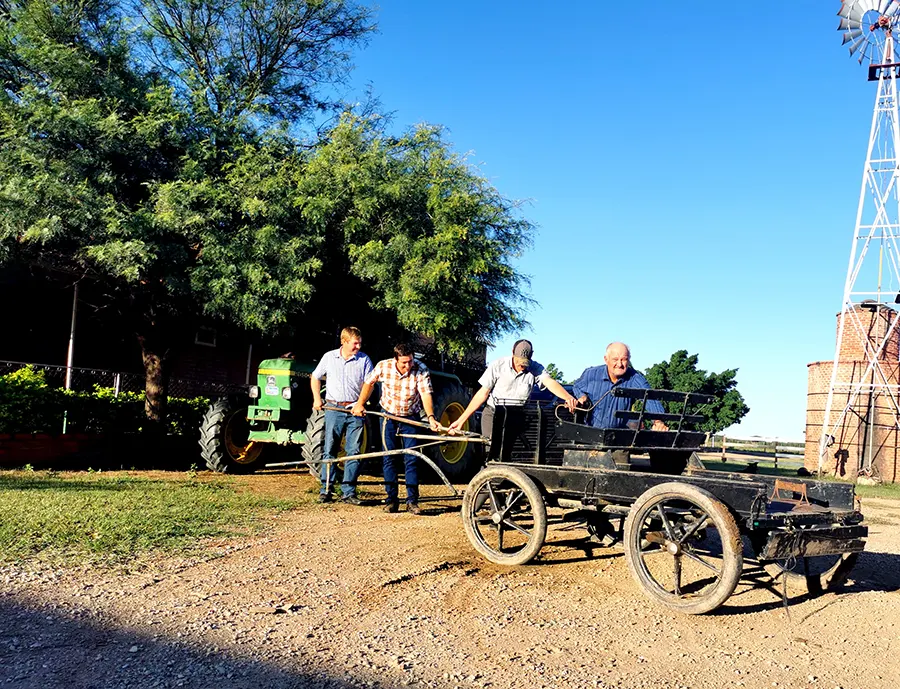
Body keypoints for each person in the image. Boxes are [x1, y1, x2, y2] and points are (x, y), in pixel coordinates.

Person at [351, 343, 439, 515]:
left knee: (411, 458)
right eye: (404, 362)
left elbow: (425, 394)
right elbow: (369, 383)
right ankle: (392, 500)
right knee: (389, 457)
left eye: (410, 361)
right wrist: (360, 404)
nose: (408, 366)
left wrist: (431, 417)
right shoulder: (384, 366)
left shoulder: (421, 369)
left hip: (410, 417)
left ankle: (412, 501)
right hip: (388, 416)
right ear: (396, 359)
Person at [448, 339, 578, 442]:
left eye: (525, 363)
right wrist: (461, 420)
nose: (521, 366)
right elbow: (483, 393)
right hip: (493, 414)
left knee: (513, 453)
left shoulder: (535, 368)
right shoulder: (498, 365)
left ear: (531, 357)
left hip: (516, 417)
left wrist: (568, 397)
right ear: (512, 352)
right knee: (491, 451)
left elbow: (549, 382)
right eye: (518, 362)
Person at [310, 326, 373, 505]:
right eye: (355, 343)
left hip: (355, 411)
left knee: (353, 451)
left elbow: (370, 384)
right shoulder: (329, 357)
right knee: (330, 448)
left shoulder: (364, 360)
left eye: (360, 343)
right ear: (344, 342)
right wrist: (317, 399)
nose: (358, 347)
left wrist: (360, 404)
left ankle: (349, 492)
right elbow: (315, 377)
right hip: (334, 409)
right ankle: (326, 490)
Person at [572, 342, 668, 431]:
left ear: (629, 359)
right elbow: (576, 386)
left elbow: (650, 399)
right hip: (591, 434)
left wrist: (658, 422)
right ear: (606, 359)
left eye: (624, 359)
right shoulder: (591, 374)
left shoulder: (635, 378)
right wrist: (581, 396)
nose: (620, 364)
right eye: (615, 359)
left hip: (618, 437)